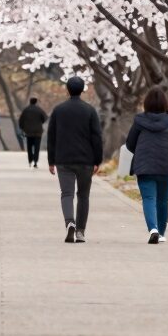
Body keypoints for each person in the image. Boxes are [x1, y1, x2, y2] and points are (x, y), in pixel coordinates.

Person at [125, 86, 168, 245]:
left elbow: (130, 143)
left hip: (144, 166)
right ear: (165, 103)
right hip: (166, 166)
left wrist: (141, 151)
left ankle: (152, 229)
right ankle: (161, 233)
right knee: (163, 200)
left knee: (148, 198)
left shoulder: (139, 120)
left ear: (146, 103)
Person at [47, 77, 103, 243]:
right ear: (83, 89)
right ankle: (80, 232)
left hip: (63, 159)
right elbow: (97, 137)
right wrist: (97, 160)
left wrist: (51, 160)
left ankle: (69, 222)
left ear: (67, 89)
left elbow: (51, 137)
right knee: (83, 196)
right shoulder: (90, 110)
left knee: (67, 193)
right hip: (85, 160)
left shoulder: (58, 110)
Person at [18, 97, 48, 168]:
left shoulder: (26, 110)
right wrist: (40, 122)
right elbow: (45, 117)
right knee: (37, 147)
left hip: (28, 131)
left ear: (30, 102)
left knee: (29, 146)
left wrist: (23, 128)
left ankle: (30, 159)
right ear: (36, 102)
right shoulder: (39, 110)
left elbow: (21, 120)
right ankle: (35, 161)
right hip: (38, 131)